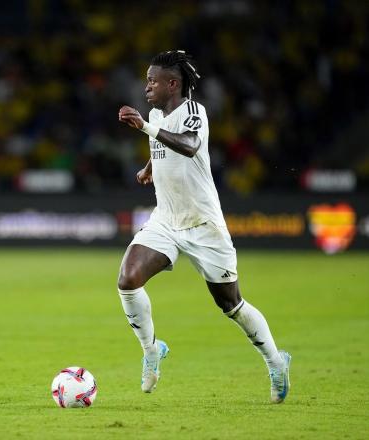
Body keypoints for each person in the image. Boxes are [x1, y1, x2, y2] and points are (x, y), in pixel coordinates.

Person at [117, 50, 291, 403]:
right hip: (166, 219)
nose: (146, 85)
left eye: (152, 80)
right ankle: (151, 351)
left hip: (203, 224)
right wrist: (150, 166)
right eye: (146, 79)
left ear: (172, 84)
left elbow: (191, 145)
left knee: (231, 305)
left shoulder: (194, 112)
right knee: (128, 279)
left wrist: (147, 128)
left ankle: (276, 361)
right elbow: (162, 141)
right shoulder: (154, 113)